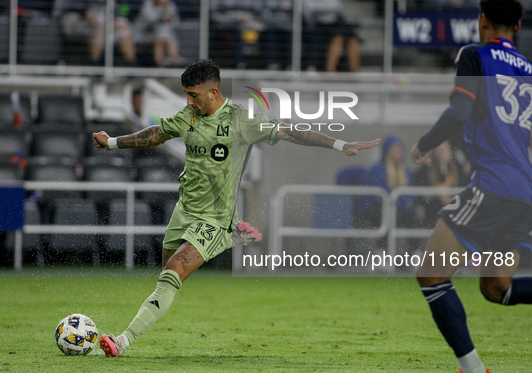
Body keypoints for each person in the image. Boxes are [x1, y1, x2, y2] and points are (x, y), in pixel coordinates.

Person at [92, 59, 380, 357]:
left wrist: (339, 144)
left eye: (194, 95)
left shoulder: (241, 121)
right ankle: (235, 235)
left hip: (215, 217)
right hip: (184, 209)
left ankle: (123, 342)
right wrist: (112, 142)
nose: (189, 101)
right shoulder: (188, 115)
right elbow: (156, 134)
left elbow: (290, 131)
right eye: (186, 95)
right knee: (166, 271)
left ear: (214, 93)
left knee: (174, 272)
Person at [410, 0, 532, 373]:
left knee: (431, 274)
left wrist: (425, 144)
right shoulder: (529, 69)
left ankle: (473, 369)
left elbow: (460, 110)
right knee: (497, 288)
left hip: (494, 186)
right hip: (525, 192)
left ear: (481, 21)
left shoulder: (475, 56)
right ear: (517, 27)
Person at [52, 0, 136, 65]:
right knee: (99, 26)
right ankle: (96, 66)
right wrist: (84, 12)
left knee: (123, 24)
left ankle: (131, 67)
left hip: (102, 18)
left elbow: (113, 4)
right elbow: (61, 8)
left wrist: (115, 15)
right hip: (78, 21)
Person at [302, 0, 360, 72]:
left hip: (334, 25)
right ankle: (330, 71)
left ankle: (354, 72)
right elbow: (307, 16)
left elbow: (339, 14)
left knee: (352, 39)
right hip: (318, 27)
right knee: (337, 38)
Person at [210, 0, 265, 69]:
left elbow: (260, 12)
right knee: (236, 32)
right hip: (228, 25)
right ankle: (240, 63)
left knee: (268, 32)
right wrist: (235, 19)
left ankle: (265, 65)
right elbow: (214, 14)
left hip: (250, 25)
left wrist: (253, 21)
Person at [413, 140, 466, 228]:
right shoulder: (426, 170)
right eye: (438, 150)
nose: (441, 153)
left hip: (456, 216)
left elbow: (465, 191)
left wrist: (449, 199)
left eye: (444, 150)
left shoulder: (459, 170)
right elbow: (420, 197)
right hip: (432, 216)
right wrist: (436, 193)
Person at [134, 0, 183, 67]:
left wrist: (168, 17)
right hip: (144, 34)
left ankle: (174, 63)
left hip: (166, 36)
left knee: (164, 38)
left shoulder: (171, 6)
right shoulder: (148, 4)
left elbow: (175, 23)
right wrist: (161, 17)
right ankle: (161, 64)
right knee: (160, 39)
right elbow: (148, 20)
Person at [259, 0, 293, 70]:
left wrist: (292, 23)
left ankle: (289, 65)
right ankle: (271, 64)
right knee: (270, 35)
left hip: (286, 26)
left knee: (291, 36)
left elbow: (295, 11)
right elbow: (261, 12)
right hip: (269, 26)